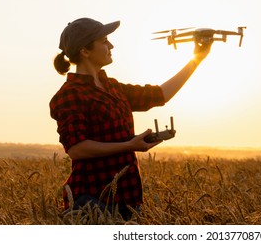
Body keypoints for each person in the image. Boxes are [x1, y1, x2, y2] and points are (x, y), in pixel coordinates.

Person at [49, 18, 212, 220]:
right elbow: (76, 149)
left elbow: (159, 95)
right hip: (92, 199)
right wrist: (129, 145)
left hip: (128, 196)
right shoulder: (69, 95)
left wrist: (197, 58)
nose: (111, 45)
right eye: (104, 41)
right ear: (85, 51)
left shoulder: (113, 87)